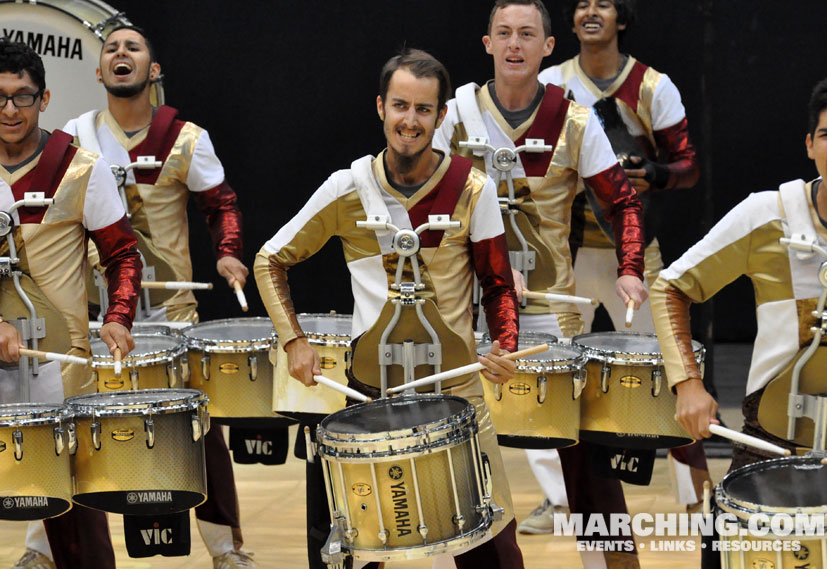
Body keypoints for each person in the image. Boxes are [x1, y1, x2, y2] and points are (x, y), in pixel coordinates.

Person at [255, 48, 525, 569]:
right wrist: (294, 340)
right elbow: (270, 260)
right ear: (380, 107)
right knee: (360, 548)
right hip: (369, 392)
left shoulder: (475, 189)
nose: (410, 120)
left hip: (458, 390)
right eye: (400, 106)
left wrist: (505, 345)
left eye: (424, 110)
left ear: (441, 116)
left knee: (492, 548)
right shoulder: (346, 187)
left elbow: (498, 285)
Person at [433, 1, 645, 567]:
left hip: (553, 312)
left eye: (527, 34)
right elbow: (427, 200)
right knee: (464, 450)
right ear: (486, 43)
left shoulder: (575, 120)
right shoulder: (454, 116)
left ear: (549, 48)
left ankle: (611, 563)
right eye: (504, 33)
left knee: (583, 456)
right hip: (473, 308)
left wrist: (630, 268)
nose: (514, 45)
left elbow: (621, 200)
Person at [57, 26, 254, 569]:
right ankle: (43, 549)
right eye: (112, 49)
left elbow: (222, 205)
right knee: (73, 426)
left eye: (134, 48)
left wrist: (228, 251)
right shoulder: (72, 137)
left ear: (155, 70)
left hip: (171, 312)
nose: (122, 54)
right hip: (97, 313)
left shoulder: (186, 137)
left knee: (199, 427)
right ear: (98, 72)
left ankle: (226, 548)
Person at [650, 71, 827, 568]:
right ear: (809, 145)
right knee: (723, 555)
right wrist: (687, 384)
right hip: (769, 439)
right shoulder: (767, 212)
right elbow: (671, 286)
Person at [529, 0, 707, 532]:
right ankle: (558, 499)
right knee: (551, 371)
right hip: (567, 255)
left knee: (677, 371)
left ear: (621, 18)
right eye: (581, 4)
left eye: (602, 4)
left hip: (638, 254)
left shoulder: (654, 86)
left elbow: (689, 167)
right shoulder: (551, 83)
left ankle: (697, 499)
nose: (590, 12)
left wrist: (652, 172)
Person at [0, 39, 141, 569]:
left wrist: (118, 316)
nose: (10, 110)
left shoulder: (82, 169)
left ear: (45, 99)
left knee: (76, 519)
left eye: (23, 97)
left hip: (61, 369)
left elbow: (124, 255)